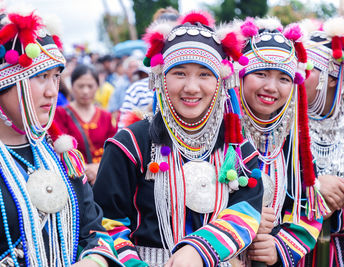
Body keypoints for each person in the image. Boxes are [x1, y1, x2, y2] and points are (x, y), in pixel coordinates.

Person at [0, 4, 122, 267]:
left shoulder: (60, 153)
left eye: (56, 77)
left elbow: (95, 231)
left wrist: (93, 261)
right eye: (40, 77)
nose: (53, 91)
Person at [93, 11, 264, 267]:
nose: (192, 87)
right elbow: (107, 222)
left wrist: (200, 250)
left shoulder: (237, 146)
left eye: (205, 74)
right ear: (161, 78)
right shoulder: (130, 143)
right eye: (180, 73)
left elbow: (247, 211)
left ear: (221, 81)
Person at [236, 17, 327, 266]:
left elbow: (308, 208)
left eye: (284, 78)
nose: (271, 87)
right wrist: (241, 220)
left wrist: (279, 246)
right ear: (240, 76)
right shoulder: (219, 134)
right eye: (261, 73)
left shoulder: (291, 142)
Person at [302, 17, 344, 266]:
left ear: (331, 77)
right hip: (291, 249)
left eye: (307, 68)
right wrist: (313, 185)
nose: (297, 76)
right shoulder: (277, 119)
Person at [54, 64, 117, 185]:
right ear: (72, 86)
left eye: (90, 86)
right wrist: (84, 168)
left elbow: (113, 150)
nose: (85, 91)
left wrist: (98, 167)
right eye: (80, 86)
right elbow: (59, 150)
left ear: (97, 87)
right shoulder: (61, 114)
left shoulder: (106, 116)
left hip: (103, 177)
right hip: (74, 180)